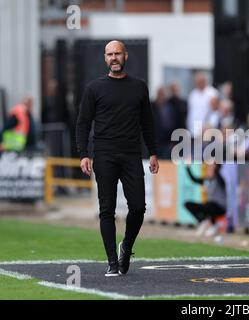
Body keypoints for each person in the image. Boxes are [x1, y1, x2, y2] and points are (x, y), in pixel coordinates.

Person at [76, 40, 159, 277]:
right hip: (104, 155)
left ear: (126, 56)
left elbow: (147, 122)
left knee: (138, 207)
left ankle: (127, 247)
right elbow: (82, 124)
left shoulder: (139, 87)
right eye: (110, 54)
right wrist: (83, 154)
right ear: (105, 58)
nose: (114, 58)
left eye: (118, 54)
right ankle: (112, 262)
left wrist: (153, 152)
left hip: (132, 154)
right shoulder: (94, 88)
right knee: (107, 210)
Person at [184, 163, 227, 237]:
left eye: (211, 168)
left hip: (220, 208)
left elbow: (217, 174)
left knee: (210, 205)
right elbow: (194, 179)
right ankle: (203, 221)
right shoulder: (206, 180)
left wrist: (215, 167)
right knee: (188, 204)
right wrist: (188, 167)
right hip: (209, 206)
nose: (209, 169)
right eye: (209, 168)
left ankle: (214, 225)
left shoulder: (219, 179)